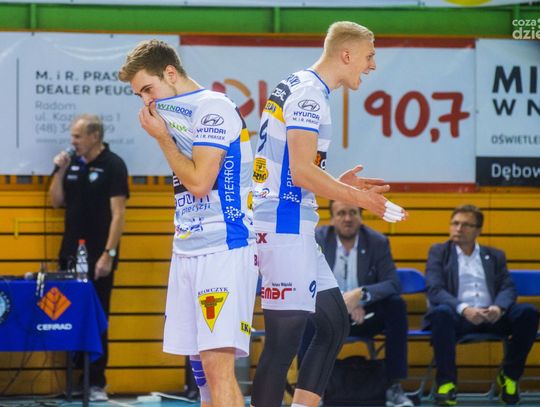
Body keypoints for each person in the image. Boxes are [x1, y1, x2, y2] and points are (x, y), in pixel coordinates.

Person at [250, 21, 407, 407]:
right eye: (369, 56)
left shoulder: (302, 84)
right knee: (282, 344)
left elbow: (296, 169)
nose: (372, 65)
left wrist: (336, 182)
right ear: (346, 54)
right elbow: (302, 172)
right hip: (284, 225)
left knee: (334, 322)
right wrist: (357, 197)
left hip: (293, 220)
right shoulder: (309, 94)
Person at [118, 39, 258, 407]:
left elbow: (198, 183)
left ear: (170, 73)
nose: (146, 101)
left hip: (223, 247)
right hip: (187, 248)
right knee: (202, 377)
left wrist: (162, 138)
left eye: (148, 89)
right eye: (139, 95)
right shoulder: (173, 112)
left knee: (217, 368)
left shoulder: (213, 107)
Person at [424, 204, 539, 406]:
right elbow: (435, 289)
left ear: (478, 230)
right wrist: (464, 309)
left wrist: (498, 308)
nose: (458, 229)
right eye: (455, 223)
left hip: (492, 316)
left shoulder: (495, 255)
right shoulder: (439, 252)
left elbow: (508, 287)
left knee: (528, 312)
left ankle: (509, 376)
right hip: (458, 317)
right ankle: (447, 383)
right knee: (440, 314)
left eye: (466, 225)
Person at [49, 114, 129, 402]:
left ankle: (96, 382)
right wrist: (59, 171)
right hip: (70, 254)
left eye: (77, 136)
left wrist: (108, 254)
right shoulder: (71, 164)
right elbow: (56, 201)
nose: (73, 141)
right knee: (69, 316)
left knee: (97, 318)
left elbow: (118, 214)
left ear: (94, 136)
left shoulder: (113, 165)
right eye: (72, 136)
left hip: (98, 257)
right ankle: (75, 382)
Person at [301, 200, 412, 407]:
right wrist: (341, 302)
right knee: (305, 312)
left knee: (396, 306)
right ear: (332, 218)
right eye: (341, 213)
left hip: (365, 315)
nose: (347, 218)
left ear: (361, 217)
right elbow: (304, 280)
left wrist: (361, 295)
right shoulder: (318, 239)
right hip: (327, 314)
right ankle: (311, 390)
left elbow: (392, 283)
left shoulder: (377, 242)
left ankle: (394, 386)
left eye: (353, 213)